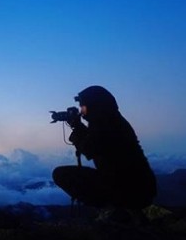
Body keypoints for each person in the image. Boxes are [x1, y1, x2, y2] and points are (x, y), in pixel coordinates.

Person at [52, 86, 157, 216]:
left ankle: (115, 211)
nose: (81, 111)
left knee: (60, 174)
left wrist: (76, 127)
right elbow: (94, 141)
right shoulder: (109, 121)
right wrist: (77, 126)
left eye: (83, 107)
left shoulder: (108, 124)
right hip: (133, 185)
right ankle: (117, 209)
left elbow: (90, 149)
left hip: (128, 188)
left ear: (94, 105)